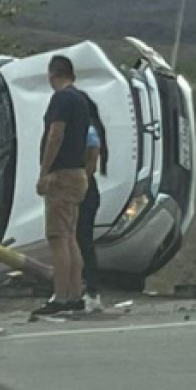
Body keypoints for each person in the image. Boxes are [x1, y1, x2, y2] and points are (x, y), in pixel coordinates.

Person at [32, 55, 91, 317]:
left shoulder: (62, 99)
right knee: (70, 236)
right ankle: (75, 292)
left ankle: (61, 296)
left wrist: (45, 171)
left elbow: (56, 134)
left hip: (62, 174)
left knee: (58, 237)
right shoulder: (81, 100)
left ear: (53, 74)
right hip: (78, 173)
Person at [77, 95, 108, 312]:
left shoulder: (88, 132)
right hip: (84, 189)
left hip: (86, 192)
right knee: (78, 240)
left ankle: (92, 290)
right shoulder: (86, 131)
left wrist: (80, 185)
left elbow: (91, 165)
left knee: (83, 240)